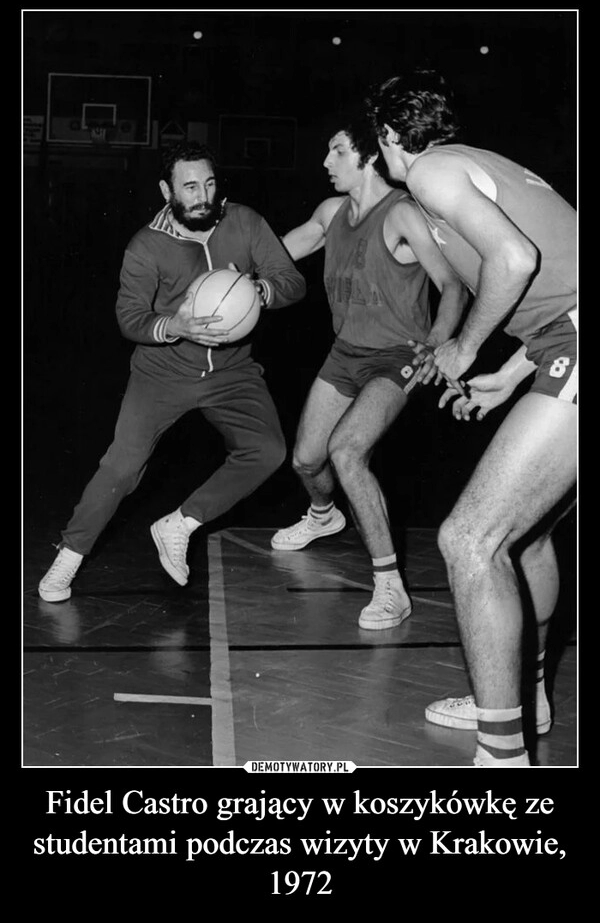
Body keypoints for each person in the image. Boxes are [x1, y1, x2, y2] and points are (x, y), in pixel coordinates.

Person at [367, 69, 576, 765]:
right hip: (562, 346)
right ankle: (526, 697)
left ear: (393, 137)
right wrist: (506, 378)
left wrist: (460, 347)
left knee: (469, 539)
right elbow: (557, 286)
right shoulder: (478, 167)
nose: (382, 160)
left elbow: (515, 260)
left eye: (379, 145)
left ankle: (502, 756)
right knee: (526, 537)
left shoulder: (432, 173)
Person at [38, 141, 306, 602]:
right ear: (167, 190)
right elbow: (130, 318)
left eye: (209, 183)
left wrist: (257, 290)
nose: (202, 195)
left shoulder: (244, 221)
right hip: (162, 372)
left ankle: (180, 524)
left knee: (267, 450)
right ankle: (68, 557)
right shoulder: (146, 245)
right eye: (189, 186)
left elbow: (292, 282)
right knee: (122, 467)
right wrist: (174, 326)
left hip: (232, 371)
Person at [271, 114, 467, 630]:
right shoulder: (332, 210)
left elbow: (452, 285)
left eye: (337, 151)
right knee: (307, 462)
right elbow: (283, 249)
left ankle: (390, 587)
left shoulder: (401, 214)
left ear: (369, 156)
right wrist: (229, 271)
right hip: (345, 354)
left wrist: (438, 346)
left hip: (397, 357)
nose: (325, 161)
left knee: (347, 451)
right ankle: (322, 516)